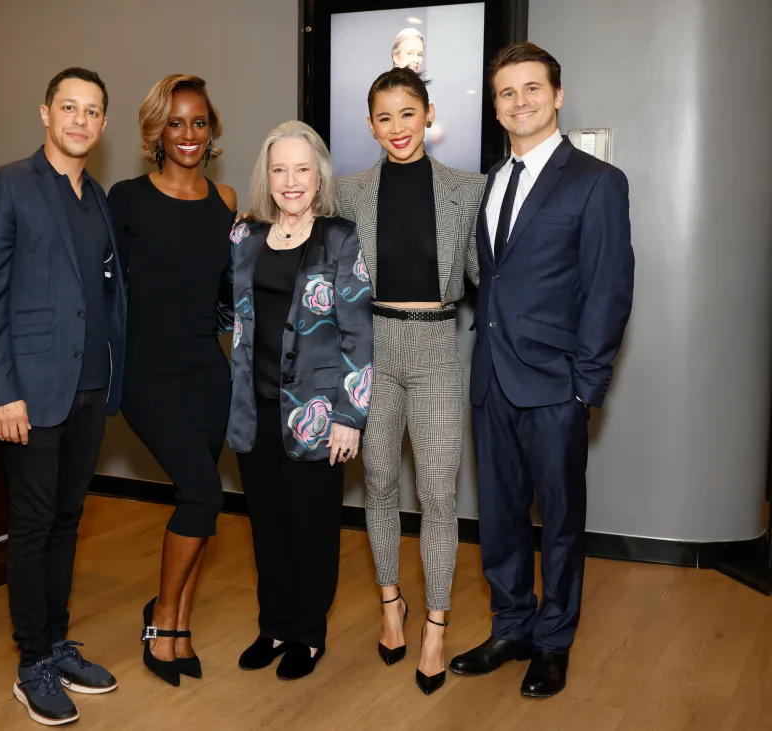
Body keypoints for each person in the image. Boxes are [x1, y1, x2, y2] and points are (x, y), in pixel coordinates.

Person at [449, 42, 634, 698]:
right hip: (491, 380)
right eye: (507, 92)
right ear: (496, 108)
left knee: (558, 522)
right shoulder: (491, 182)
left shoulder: (596, 181)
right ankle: (511, 627)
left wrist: (585, 386)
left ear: (557, 96)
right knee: (499, 519)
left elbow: (609, 289)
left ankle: (553, 642)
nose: (519, 101)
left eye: (532, 88)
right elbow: (493, 281)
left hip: (556, 385)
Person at [0, 67, 126, 726]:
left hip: (87, 388)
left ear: (103, 123)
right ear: (45, 113)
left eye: (92, 110)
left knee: (66, 520)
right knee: (32, 526)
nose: (80, 120)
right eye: (69, 107)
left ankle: (56, 644)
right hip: (28, 393)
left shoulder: (97, 198)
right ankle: (32, 662)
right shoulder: (5, 185)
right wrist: (2, 391)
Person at [336, 66, 484, 696]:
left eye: (407, 113)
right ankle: (391, 603)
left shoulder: (467, 190)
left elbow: (486, 275)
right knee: (377, 484)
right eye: (384, 117)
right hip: (372, 350)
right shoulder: (348, 194)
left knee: (439, 496)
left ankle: (435, 627)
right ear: (371, 125)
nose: (397, 127)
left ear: (428, 114)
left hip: (436, 349)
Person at [227, 120, 373, 681]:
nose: (291, 181)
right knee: (266, 525)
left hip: (317, 414)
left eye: (302, 169)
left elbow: (359, 334)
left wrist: (349, 416)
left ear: (319, 176)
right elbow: (228, 309)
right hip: (254, 409)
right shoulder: (245, 236)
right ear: (267, 176)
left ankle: (308, 634)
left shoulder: (340, 237)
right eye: (280, 170)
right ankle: (274, 625)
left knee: (310, 527)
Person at [106, 74, 237, 688]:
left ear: (211, 131)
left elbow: (230, 290)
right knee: (205, 495)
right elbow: (100, 286)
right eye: (176, 123)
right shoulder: (127, 198)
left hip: (208, 370)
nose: (188, 134)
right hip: (147, 372)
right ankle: (160, 618)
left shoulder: (225, 201)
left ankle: (181, 624)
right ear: (157, 131)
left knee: (196, 498)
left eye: (199, 122)